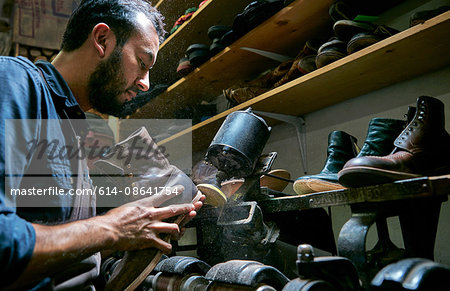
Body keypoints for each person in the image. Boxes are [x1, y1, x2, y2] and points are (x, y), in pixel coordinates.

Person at [0, 0, 203, 290]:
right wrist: (111, 227)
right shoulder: (14, 81)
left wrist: (143, 230)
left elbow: (68, 259)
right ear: (103, 40)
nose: (145, 83)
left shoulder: (71, 127)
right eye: (143, 64)